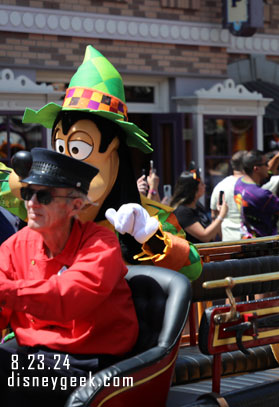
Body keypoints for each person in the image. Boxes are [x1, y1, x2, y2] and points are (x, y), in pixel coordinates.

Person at [19, 45, 202, 281]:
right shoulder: (44, 208)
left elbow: (193, 269)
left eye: (79, 149)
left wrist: (149, 237)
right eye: (61, 150)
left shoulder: (150, 217)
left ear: (114, 152)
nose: (66, 165)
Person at [0, 148, 138, 406]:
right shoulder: (15, 244)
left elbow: (69, 297)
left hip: (90, 364)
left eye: (44, 196)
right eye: (28, 193)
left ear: (76, 204)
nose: (31, 203)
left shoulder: (101, 242)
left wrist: (6, 292)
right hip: (34, 355)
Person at [234, 150, 279, 238]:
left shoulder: (239, 184)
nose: (268, 166)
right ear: (256, 169)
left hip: (247, 238)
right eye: (266, 164)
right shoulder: (261, 195)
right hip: (263, 244)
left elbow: (266, 176)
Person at [171, 170, 228, 243]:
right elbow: (204, 237)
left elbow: (211, 236)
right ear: (193, 189)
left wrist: (216, 215)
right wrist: (222, 215)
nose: (204, 185)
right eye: (201, 184)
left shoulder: (197, 206)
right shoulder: (182, 212)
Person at [210, 150, 247, 241]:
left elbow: (214, 215)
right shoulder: (252, 185)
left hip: (228, 239)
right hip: (251, 239)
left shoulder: (220, 185)